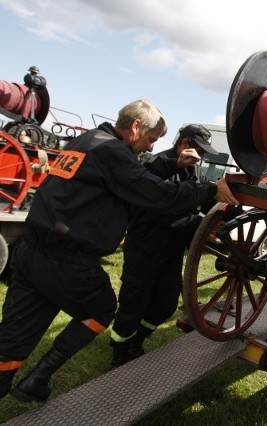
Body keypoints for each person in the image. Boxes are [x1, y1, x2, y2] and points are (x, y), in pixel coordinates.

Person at [0, 99, 239, 403]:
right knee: (100, 308)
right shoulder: (112, 152)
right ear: (136, 126)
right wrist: (208, 191)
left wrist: (172, 164)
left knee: (16, 333)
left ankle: (7, 378)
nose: (150, 147)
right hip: (67, 258)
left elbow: (131, 172)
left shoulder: (88, 141)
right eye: (150, 139)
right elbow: (152, 191)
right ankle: (39, 377)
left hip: (31, 251)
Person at [109, 124, 217, 367]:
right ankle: (119, 352)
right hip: (145, 245)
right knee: (133, 302)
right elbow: (162, 209)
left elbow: (202, 201)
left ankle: (137, 341)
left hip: (172, 249)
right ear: (184, 143)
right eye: (199, 149)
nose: (202, 156)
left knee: (166, 303)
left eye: (205, 152)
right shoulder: (155, 165)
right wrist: (198, 222)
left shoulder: (197, 172)